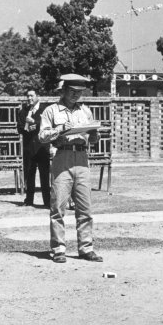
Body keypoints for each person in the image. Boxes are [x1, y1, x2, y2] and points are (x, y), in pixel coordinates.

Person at [38, 73, 103, 263]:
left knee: (85, 207)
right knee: (58, 206)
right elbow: (42, 136)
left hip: (82, 158)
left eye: (80, 92)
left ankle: (86, 248)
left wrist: (94, 134)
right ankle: (58, 249)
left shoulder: (85, 111)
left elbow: (93, 138)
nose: (76, 95)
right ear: (64, 90)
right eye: (73, 91)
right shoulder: (51, 110)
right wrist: (59, 130)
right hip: (62, 157)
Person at [16, 88, 51, 207]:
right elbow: (19, 128)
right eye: (28, 96)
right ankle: (29, 200)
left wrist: (35, 123)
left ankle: (47, 201)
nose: (29, 98)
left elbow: (48, 125)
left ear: (37, 96)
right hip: (28, 148)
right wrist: (26, 128)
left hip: (42, 148)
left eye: (32, 95)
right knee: (29, 175)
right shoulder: (23, 111)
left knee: (44, 175)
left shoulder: (45, 110)